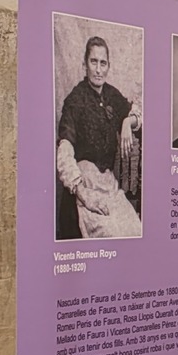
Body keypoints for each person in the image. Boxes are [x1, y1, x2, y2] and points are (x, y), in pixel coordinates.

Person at [55, 33, 141, 239]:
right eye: (94, 62)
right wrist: (83, 194)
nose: (99, 69)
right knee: (111, 232)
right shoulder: (75, 100)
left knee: (135, 229)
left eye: (103, 63)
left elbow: (137, 113)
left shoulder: (112, 95)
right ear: (85, 65)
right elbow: (65, 150)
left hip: (109, 185)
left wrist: (128, 121)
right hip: (85, 188)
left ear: (109, 66)